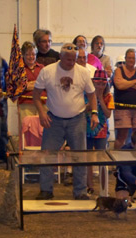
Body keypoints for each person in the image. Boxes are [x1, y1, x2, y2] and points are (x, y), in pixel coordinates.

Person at [32, 43, 99, 200]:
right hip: (53, 120)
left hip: (77, 119)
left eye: (74, 59)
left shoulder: (83, 72)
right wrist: (42, 113)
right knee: (47, 155)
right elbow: (36, 95)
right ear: (60, 57)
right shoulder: (47, 72)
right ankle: (46, 190)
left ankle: (80, 192)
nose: (71, 62)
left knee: (79, 157)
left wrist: (94, 113)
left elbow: (92, 95)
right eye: (68, 59)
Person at [86, 70, 115, 194]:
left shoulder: (109, 96)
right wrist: (93, 100)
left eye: (103, 85)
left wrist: (100, 100)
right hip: (87, 130)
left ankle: (104, 188)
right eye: (97, 84)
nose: (100, 87)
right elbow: (83, 109)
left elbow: (108, 114)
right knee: (87, 159)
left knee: (102, 159)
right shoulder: (86, 94)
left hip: (102, 132)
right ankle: (89, 185)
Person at [113, 48, 136, 149]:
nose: (131, 60)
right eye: (129, 58)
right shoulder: (118, 71)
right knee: (121, 136)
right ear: (125, 58)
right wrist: (135, 81)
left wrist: (127, 83)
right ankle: (118, 161)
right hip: (122, 109)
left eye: (133, 58)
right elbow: (119, 85)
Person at [15, 41, 47, 149]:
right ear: (23, 55)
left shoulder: (42, 68)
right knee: (26, 131)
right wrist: (36, 84)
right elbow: (19, 87)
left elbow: (46, 84)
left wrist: (30, 85)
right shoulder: (19, 70)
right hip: (25, 104)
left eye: (33, 54)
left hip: (43, 103)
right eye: (28, 54)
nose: (31, 57)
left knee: (43, 131)